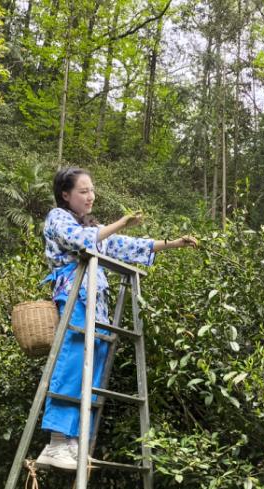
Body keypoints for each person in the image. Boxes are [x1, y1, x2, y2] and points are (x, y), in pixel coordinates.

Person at [35, 166, 197, 470]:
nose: (90, 196)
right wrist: (120, 222)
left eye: (92, 190)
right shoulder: (57, 218)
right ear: (65, 195)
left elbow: (126, 246)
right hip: (74, 296)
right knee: (72, 360)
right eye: (83, 191)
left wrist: (172, 243)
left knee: (92, 369)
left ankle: (73, 441)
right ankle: (57, 440)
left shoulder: (95, 228)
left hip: (96, 302)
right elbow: (79, 239)